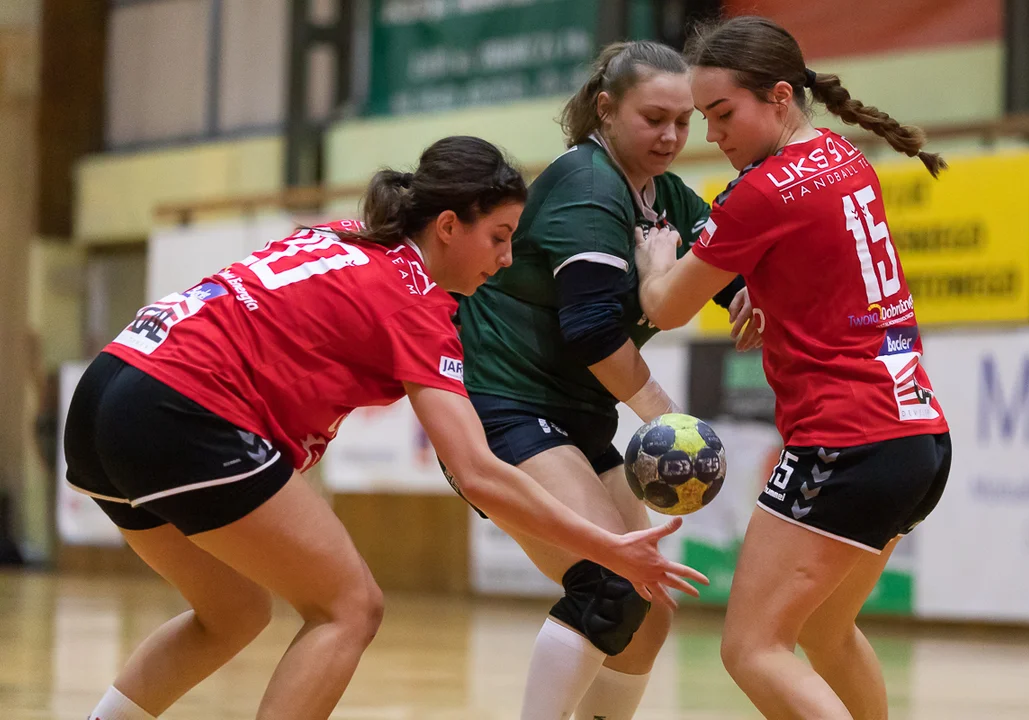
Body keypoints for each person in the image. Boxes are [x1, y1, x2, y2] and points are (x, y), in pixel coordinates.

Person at [63, 136, 707, 720]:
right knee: (349, 608)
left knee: (232, 614)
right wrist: (607, 545)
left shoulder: (344, 235)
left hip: (110, 387)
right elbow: (480, 472)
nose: (509, 259)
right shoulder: (417, 305)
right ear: (449, 226)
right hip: (185, 407)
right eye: (501, 237)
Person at [633, 16, 953, 720]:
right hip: (918, 438)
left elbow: (665, 308)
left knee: (752, 648)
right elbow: (826, 265)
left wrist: (654, 260)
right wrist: (767, 290)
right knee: (824, 633)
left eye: (723, 116)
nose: (713, 138)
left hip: (848, 441)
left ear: (779, 97)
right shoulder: (841, 155)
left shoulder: (761, 192)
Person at [453, 43, 749, 720]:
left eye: (685, 119)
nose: (673, 136)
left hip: (575, 420)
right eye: (655, 119)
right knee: (608, 587)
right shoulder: (588, 188)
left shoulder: (664, 193)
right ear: (607, 110)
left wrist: (744, 295)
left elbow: (723, 272)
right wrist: (660, 412)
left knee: (645, 611)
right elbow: (590, 333)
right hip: (505, 409)